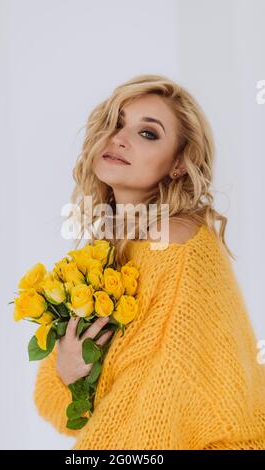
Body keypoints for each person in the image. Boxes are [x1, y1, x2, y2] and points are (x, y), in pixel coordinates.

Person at [33, 74, 265, 449]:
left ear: (177, 164)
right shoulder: (108, 250)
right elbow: (65, 409)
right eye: (115, 123)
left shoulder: (175, 240)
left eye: (148, 133)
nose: (119, 138)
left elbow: (162, 394)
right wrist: (68, 370)